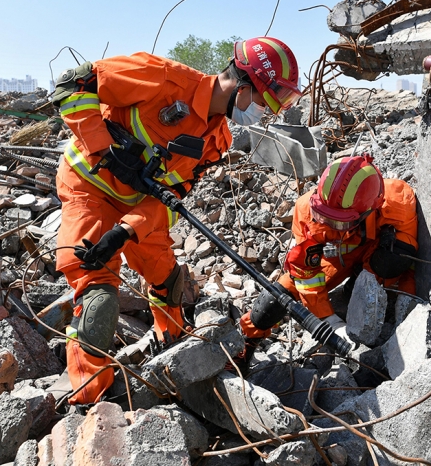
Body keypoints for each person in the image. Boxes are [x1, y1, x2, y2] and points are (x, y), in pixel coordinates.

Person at [53, 37, 301, 405]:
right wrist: (105, 150)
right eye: (264, 103)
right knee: (98, 301)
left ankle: (169, 351)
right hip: (88, 187)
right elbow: (72, 85)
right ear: (244, 88)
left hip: (138, 204)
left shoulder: (217, 138)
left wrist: (126, 230)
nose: (263, 113)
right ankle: (87, 402)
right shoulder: (162, 78)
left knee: (169, 284)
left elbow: (171, 198)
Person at [239, 154, 418, 348]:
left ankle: (353, 293)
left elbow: (406, 255)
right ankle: (247, 339)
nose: (331, 225)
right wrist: (328, 318)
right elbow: (305, 271)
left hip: (372, 254)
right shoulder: (306, 209)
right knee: (276, 298)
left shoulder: (398, 200)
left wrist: (405, 303)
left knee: (394, 257)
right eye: (325, 216)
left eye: (341, 221)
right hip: (337, 259)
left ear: (370, 209)